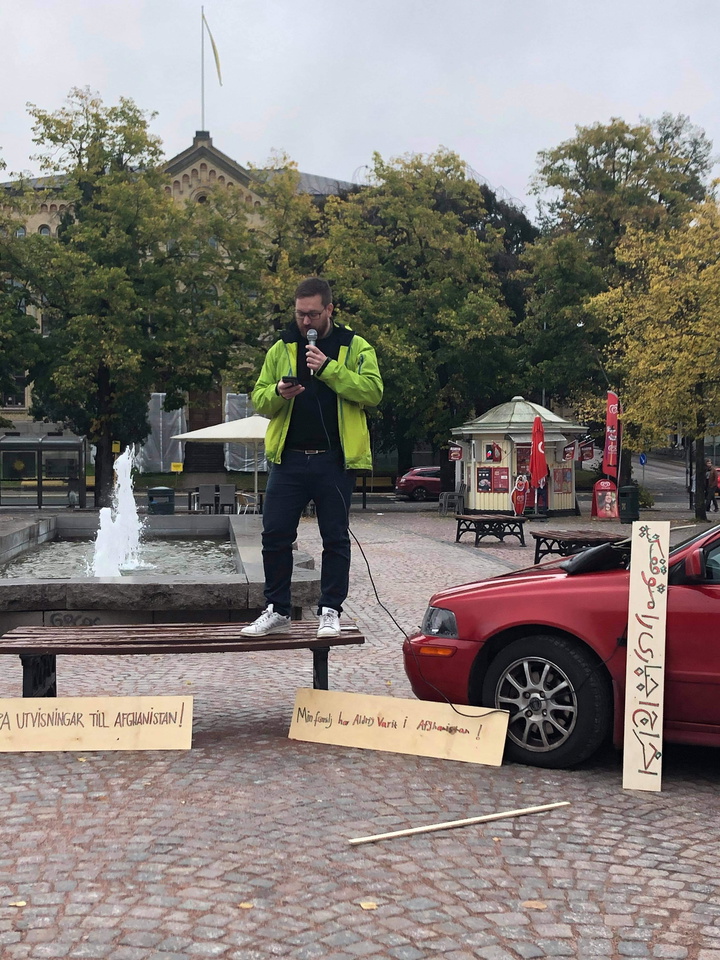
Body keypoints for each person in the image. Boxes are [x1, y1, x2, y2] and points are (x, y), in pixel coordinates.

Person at [241, 277, 383, 639]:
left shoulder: (355, 346)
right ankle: (277, 609)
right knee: (274, 535)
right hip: (288, 459)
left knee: (334, 537)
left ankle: (330, 609)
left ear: (330, 310)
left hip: (334, 460)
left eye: (313, 314)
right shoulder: (282, 347)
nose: (306, 322)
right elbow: (259, 399)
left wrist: (329, 368)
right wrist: (278, 391)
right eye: (300, 314)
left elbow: (373, 391)